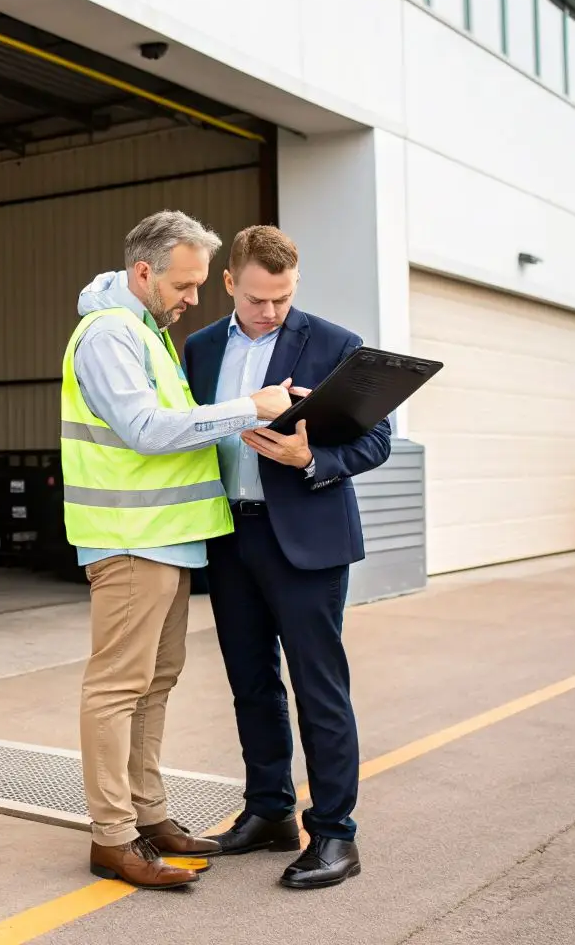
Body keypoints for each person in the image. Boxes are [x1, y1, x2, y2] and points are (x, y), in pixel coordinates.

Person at [60, 210, 295, 890]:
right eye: (185, 285)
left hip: (167, 542)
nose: (195, 299)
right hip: (132, 543)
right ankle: (113, 836)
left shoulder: (144, 332)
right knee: (116, 690)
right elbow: (147, 429)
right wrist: (250, 406)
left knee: (153, 686)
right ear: (143, 272)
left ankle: (149, 815)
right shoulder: (109, 335)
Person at [182, 225, 393, 890]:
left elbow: (377, 441)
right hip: (229, 535)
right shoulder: (200, 347)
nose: (269, 312)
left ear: (294, 282)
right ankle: (269, 811)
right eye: (255, 299)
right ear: (229, 285)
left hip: (306, 538)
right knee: (250, 682)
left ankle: (335, 834)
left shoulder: (335, 344)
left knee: (318, 687)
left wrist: (313, 459)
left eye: (281, 298)